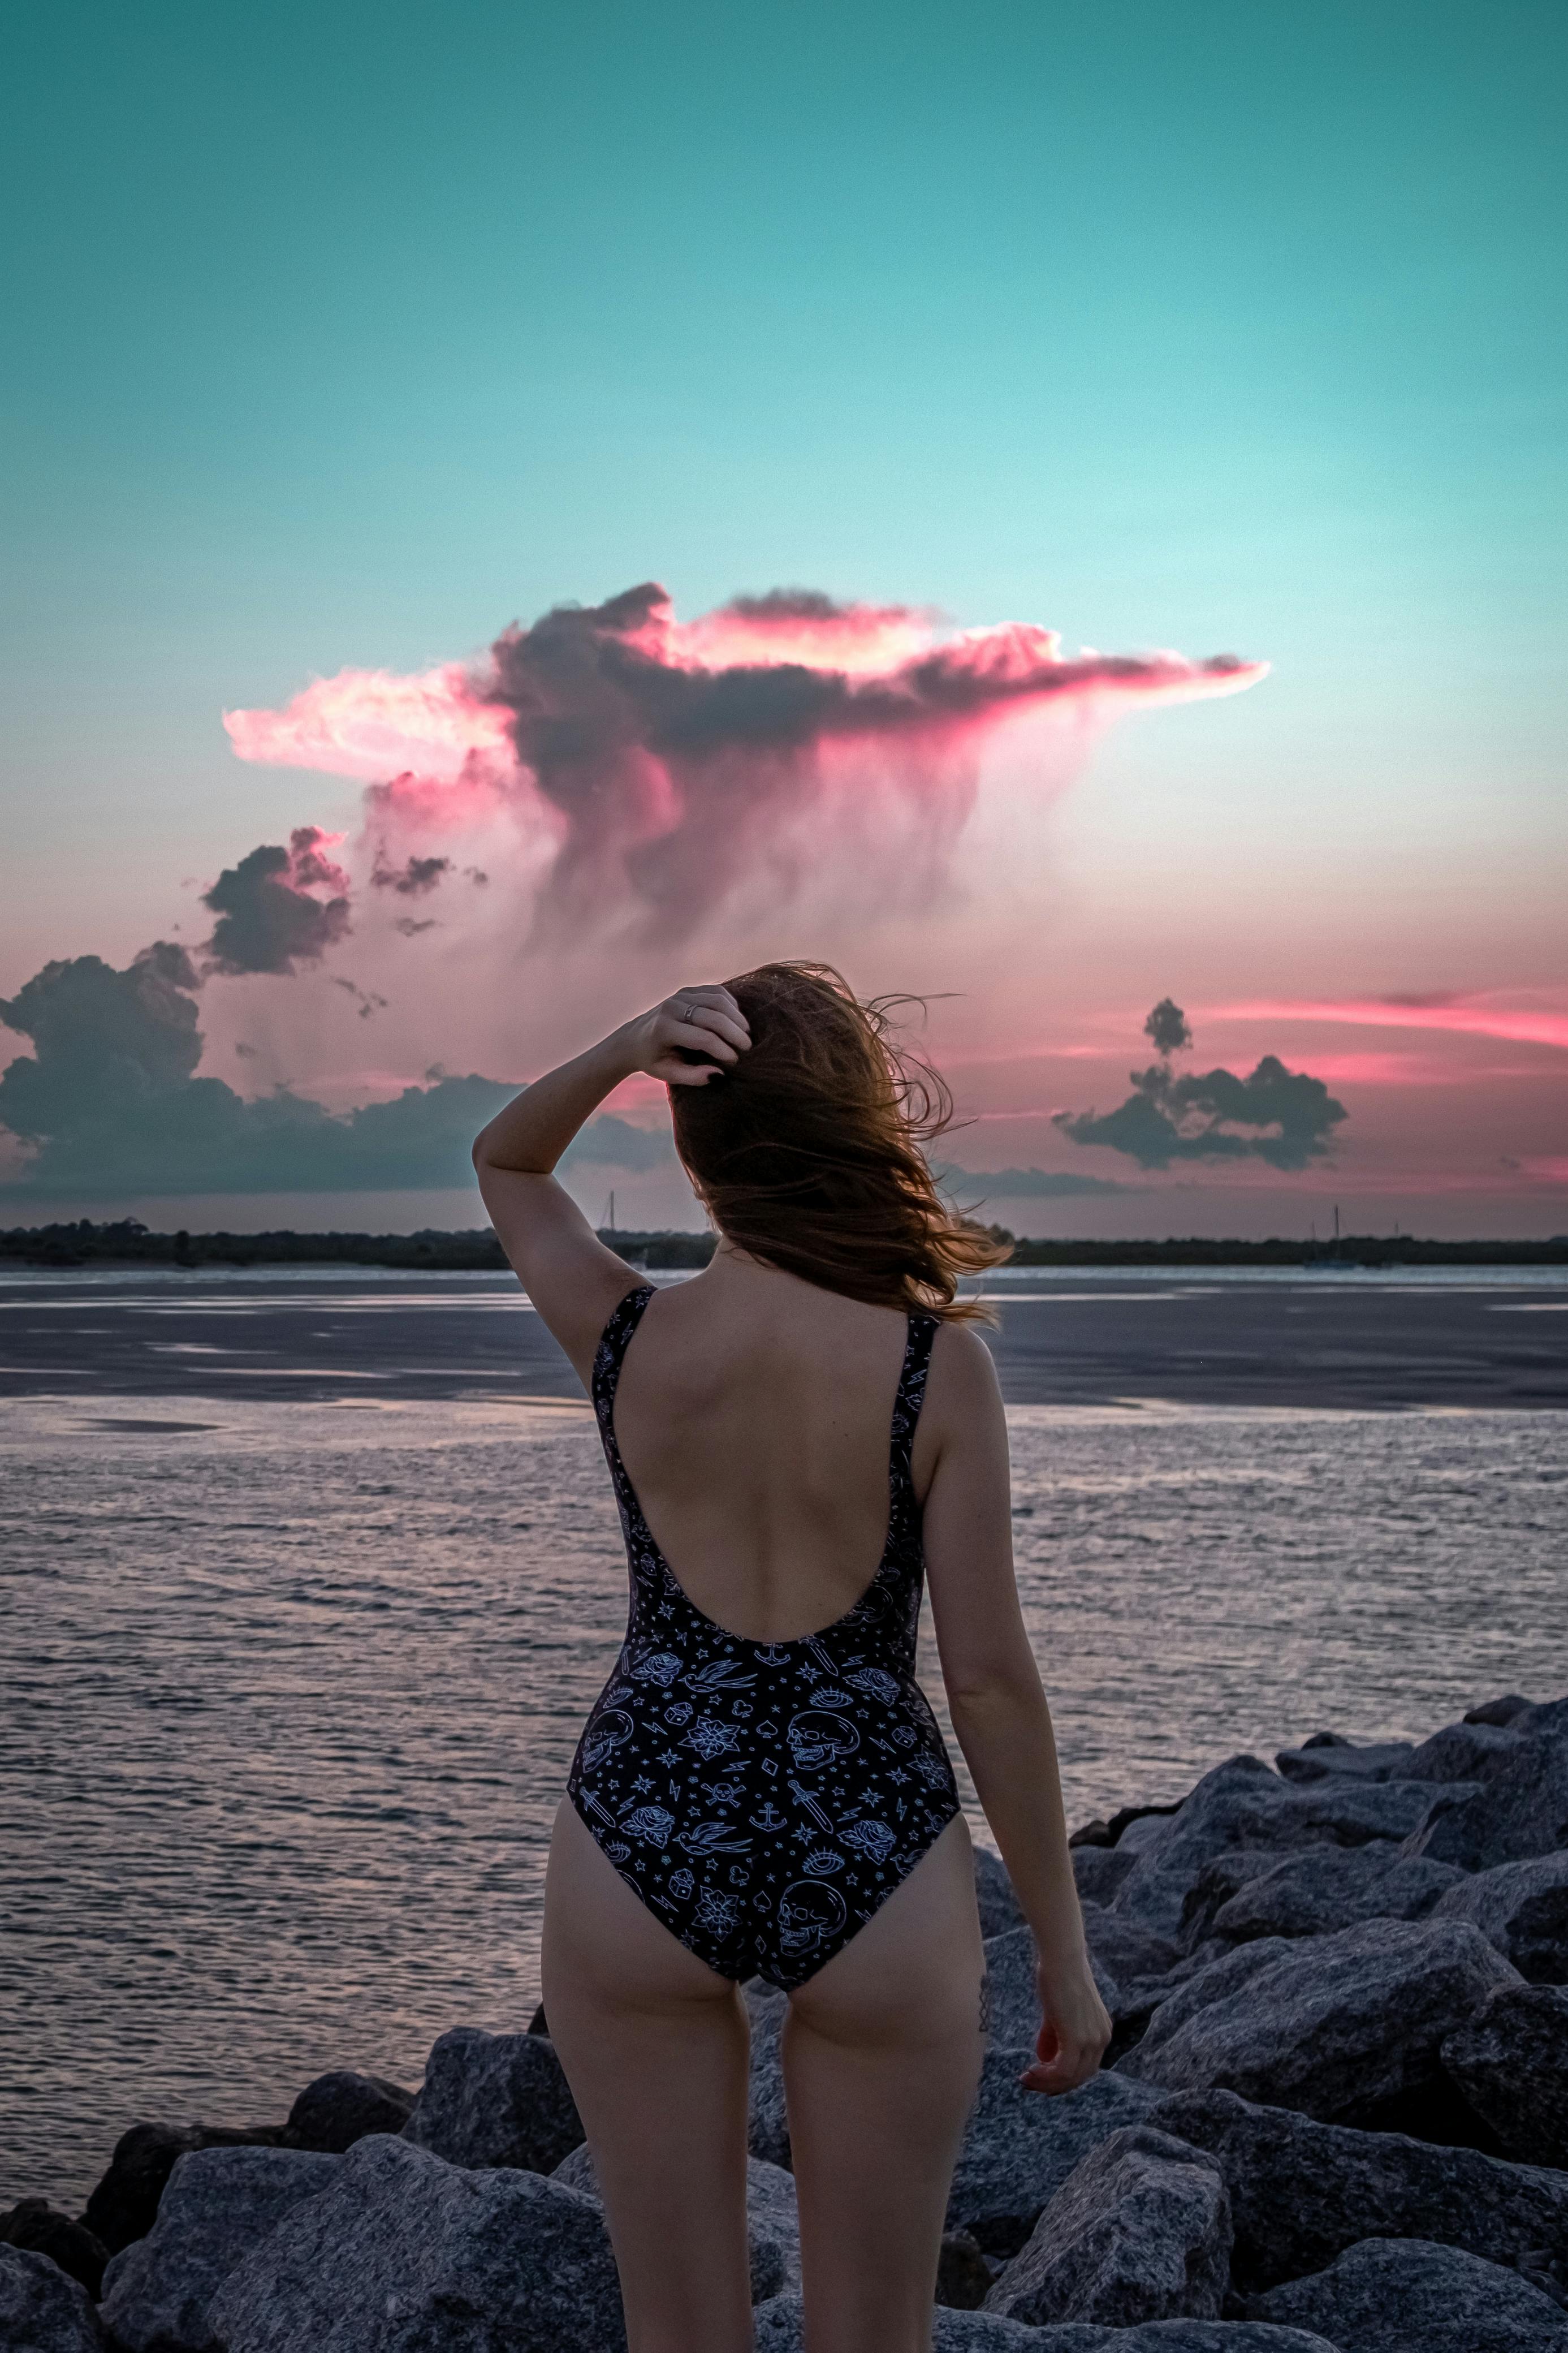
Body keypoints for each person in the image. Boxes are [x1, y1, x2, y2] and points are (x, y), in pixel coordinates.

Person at [472, 963, 1109, 2353]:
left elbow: (507, 1160)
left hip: (642, 1821)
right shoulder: (934, 1367)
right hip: (872, 1844)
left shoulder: (625, 1332)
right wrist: (1064, 1953)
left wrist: (629, 1043)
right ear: (857, 1128)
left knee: (679, 2332)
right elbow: (989, 1679)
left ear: (696, 1151)